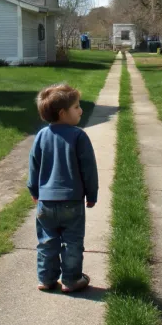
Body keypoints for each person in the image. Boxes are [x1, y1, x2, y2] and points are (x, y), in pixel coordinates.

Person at [28, 83, 98, 293]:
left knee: (47, 241)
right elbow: (89, 169)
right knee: (72, 242)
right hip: (72, 201)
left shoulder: (41, 136)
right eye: (76, 107)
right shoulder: (79, 136)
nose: (81, 110)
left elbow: (34, 165)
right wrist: (91, 194)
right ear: (62, 113)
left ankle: (46, 279)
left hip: (46, 202)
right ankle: (71, 279)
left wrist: (34, 191)